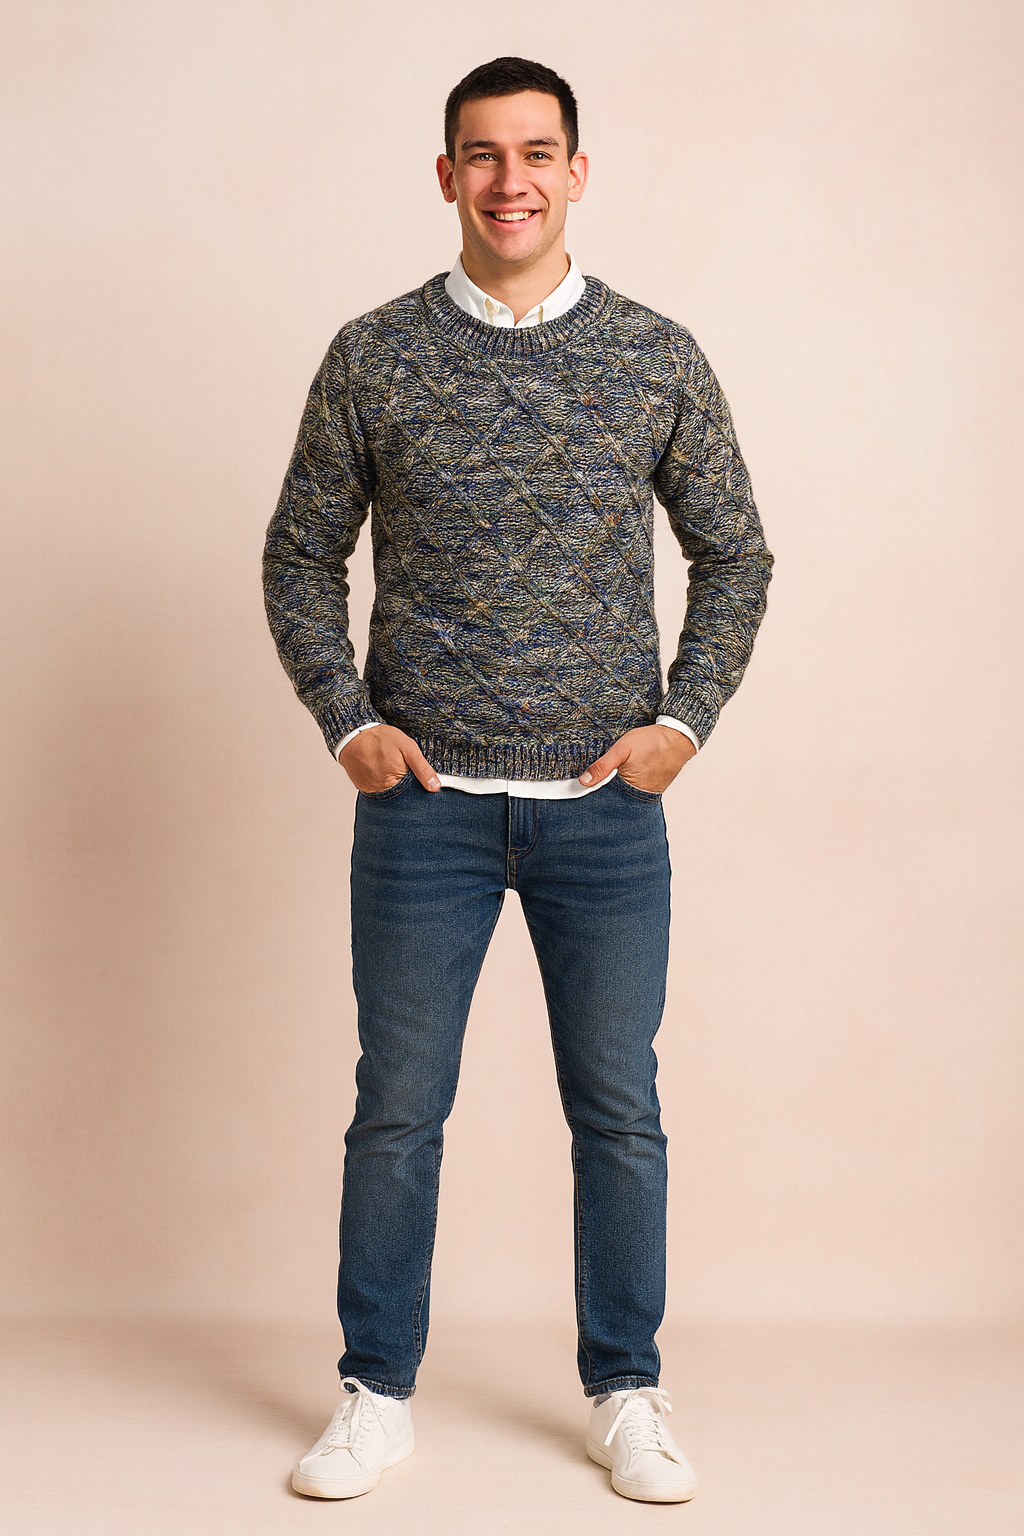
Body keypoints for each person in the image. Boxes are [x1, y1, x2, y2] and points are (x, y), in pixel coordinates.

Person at [263, 55, 772, 1505]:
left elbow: (736, 554)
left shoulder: (656, 355)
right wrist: (343, 720)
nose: (511, 181)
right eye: (483, 156)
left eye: (537, 153)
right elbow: (299, 555)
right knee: (397, 1110)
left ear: (577, 173)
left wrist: (685, 722)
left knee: (618, 1112)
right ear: (446, 176)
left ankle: (627, 1390)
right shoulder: (374, 354)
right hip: (420, 812)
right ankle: (375, 1393)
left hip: (604, 813)